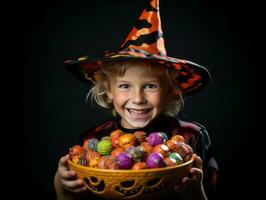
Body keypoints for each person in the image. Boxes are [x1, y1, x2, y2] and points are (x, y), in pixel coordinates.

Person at [54, 0, 218, 199]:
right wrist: (62, 190)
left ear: (171, 90)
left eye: (150, 86)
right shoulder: (91, 141)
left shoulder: (191, 136)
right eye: (125, 86)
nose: (138, 98)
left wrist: (195, 192)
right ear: (108, 90)